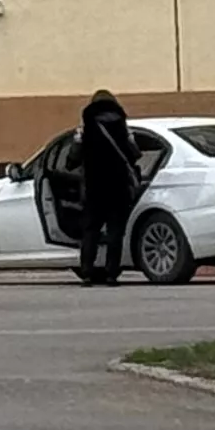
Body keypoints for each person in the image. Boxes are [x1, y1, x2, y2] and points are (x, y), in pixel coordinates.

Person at [72, 89, 144, 286]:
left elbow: (72, 160)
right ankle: (112, 274)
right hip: (118, 187)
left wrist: (78, 142)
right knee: (115, 232)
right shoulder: (122, 127)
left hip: (94, 187)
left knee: (91, 231)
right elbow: (135, 155)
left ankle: (87, 273)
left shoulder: (86, 128)